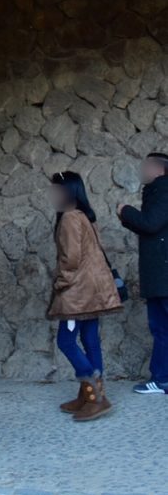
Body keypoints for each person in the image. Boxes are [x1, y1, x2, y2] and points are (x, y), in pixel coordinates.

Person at [47, 171, 123, 421]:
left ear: (68, 191)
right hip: (94, 291)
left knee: (66, 341)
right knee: (90, 338)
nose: (52, 195)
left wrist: (61, 283)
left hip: (77, 293)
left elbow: (71, 259)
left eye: (56, 190)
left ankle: (94, 395)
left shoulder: (69, 218)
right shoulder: (85, 216)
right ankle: (88, 394)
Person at [117, 152, 168, 395]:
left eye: (147, 165)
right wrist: (126, 217)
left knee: (163, 328)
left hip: (164, 276)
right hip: (159, 277)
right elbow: (149, 226)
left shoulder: (165, 190)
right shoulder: (157, 191)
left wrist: (126, 211)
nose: (143, 169)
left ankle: (162, 379)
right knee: (160, 329)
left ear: (159, 169)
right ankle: (161, 380)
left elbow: (151, 223)